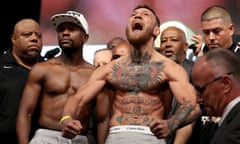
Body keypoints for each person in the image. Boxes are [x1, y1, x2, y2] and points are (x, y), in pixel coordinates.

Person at [60, 4, 201, 144]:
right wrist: (66, 119)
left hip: (151, 136)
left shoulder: (169, 68)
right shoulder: (109, 69)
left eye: (145, 14)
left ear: (156, 31)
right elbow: (78, 98)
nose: (137, 16)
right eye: (133, 15)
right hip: (117, 135)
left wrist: (171, 124)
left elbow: (192, 106)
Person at [16, 10, 97, 144]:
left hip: (79, 138)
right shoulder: (43, 69)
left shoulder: (94, 74)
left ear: (85, 37)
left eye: (71, 29)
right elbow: (25, 113)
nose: (65, 33)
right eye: (60, 30)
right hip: (45, 136)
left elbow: (101, 119)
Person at [0, 18, 42, 144]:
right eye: (27, 35)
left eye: (39, 35)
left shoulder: (49, 69)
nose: (34, 38)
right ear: (14, 39)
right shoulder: (1, 67)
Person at [157, 22, 196, 144]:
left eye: (174, 40)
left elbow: (192, 111)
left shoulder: (195, 72)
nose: (167, 44)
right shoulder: (153, 73)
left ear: (185, 47)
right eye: (163, 41)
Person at [191, 48, 240, 144]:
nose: (198, 99)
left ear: (226, 84)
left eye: (201, 90)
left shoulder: (236, 129)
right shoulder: (232, 122)